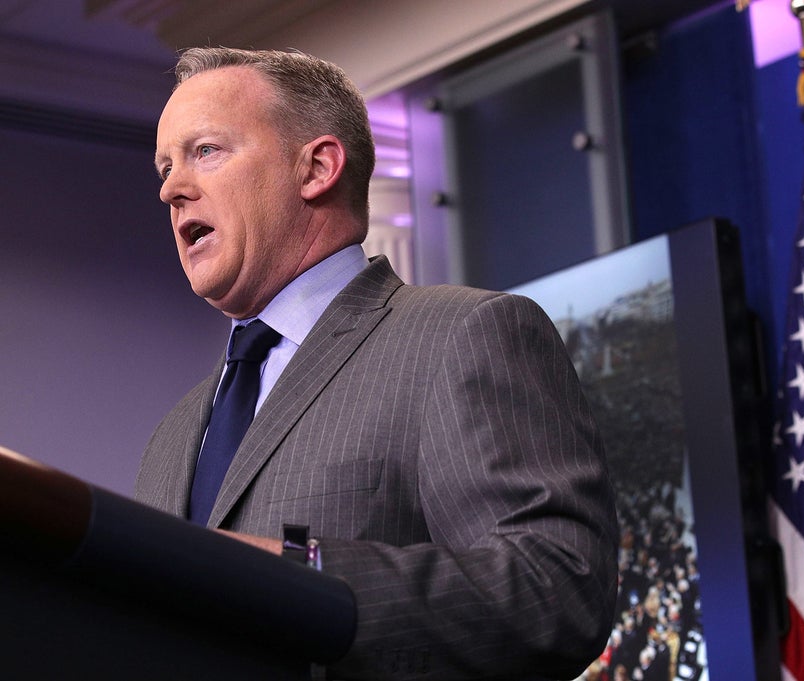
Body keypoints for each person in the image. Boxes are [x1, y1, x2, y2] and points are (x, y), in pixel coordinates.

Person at [133, 46, 618, 680]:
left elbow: (557, 591)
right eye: (166, 166)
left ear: (317, 168)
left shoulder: (459, 336)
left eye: (206, 151)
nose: (170, 189)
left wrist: (302, 579)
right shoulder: (173, 436)